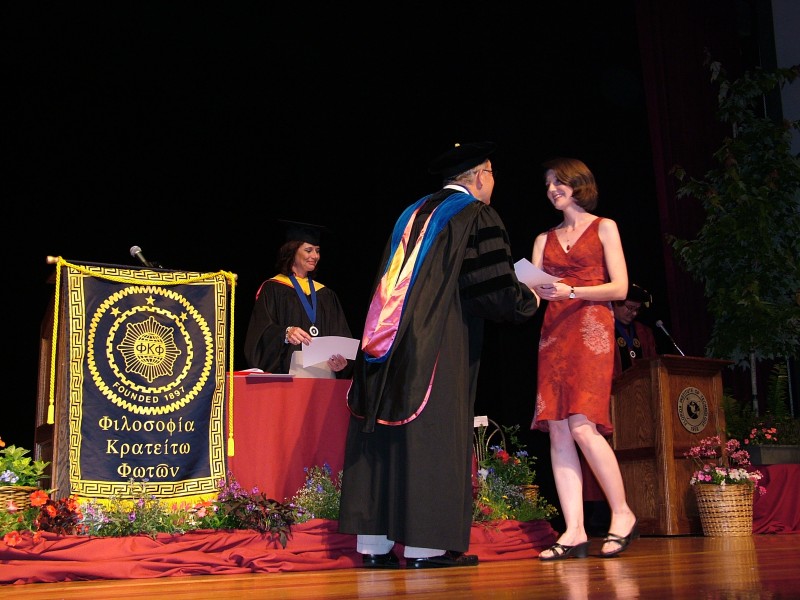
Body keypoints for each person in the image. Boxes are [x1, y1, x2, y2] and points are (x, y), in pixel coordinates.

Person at [338, 142, 539, 569]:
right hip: (438, 342)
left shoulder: (409, 214)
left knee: (385, 434)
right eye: (493, 176)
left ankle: (373, 547)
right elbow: (490, 290)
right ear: (481, 174)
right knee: (430, 434)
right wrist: (530, 298)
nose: (493, 184)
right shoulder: (475, 216)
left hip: (386, 342)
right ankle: (424, 549)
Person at [530, 157, 638, 560]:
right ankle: (573, 529)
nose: (552, 189)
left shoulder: (604, 226)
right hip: (554, 334)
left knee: (581, 425)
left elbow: (620, 286)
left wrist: (572, 292)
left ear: (579, 184)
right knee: (558, 429)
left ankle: (622, 513)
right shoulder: (543, 239)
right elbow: (535, 290)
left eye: (559, 182)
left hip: (592, 328)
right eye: (547, 184)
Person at [584, 283, 657, 535]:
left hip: (637, 406)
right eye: (628, 307)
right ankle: (601, 514)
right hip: (606, 400)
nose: (632, 313)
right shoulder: (600, 326)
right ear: (613, 304)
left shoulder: (644, 333)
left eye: (636, 309)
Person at [243, 220, 353, 379]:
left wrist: (343, 363)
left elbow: (341, 339)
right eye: (308, 250)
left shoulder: (326, 295)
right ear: (292, 252)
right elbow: (259, 336)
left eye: (317, 251)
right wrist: (285, 334)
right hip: (286, 383)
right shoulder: (273, 289)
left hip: (323, 381)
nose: (315, 256)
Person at [612, 283, 657, 377]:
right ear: (616, 303)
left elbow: (653, 364)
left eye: (637, 309)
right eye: (631, 308)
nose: (634, 313)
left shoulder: (644, 332)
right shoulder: (604, 330)